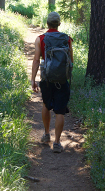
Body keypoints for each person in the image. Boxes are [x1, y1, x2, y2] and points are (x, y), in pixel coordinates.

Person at [30, 11, 73, 153]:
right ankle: (57, 142)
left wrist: (33, 79)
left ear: (47, 23)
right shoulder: (67, 39)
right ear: (59, 24)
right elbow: (71, 61)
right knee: (60, 111)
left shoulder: (40, 39)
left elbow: (36, 60)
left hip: (47, 79)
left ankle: (47, 134)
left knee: (46, 105)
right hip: (62, 79)